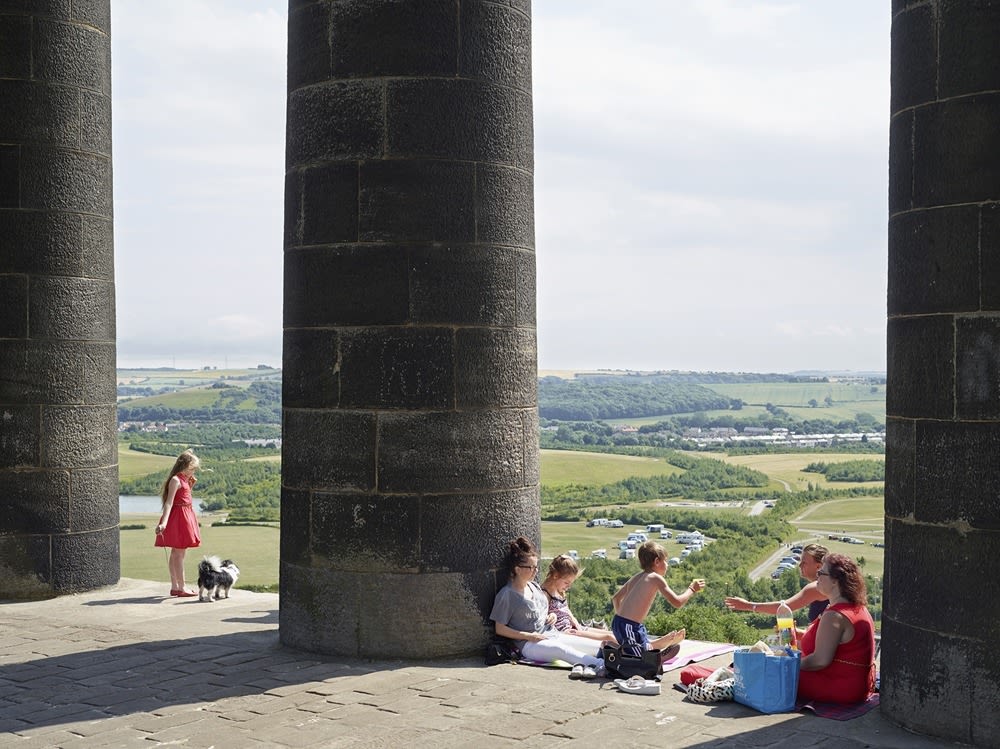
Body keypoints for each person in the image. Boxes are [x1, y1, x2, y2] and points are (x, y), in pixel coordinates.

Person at [490, 537, 605, 677]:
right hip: (528, 644)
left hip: (552, 633)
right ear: (518, 569)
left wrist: (552, 616)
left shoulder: (534, 587)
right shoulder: (507, 595)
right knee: (560, 650)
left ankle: (600, 663)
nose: (535, 571)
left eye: (536, 567)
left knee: (596, 646)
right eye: (530, 567)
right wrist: (528, 636)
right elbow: (500, 628)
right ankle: (601, 666)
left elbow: (542, 612)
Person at [797, 553, 876, 703]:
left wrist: (788, 665)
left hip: (839, 687)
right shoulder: (858, 608)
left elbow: (820, 661)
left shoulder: (835, 615)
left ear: (835, 580)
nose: (817, 577)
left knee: (769, 675)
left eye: (821, 573)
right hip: (856, 686)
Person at [611, 541, 705, 657]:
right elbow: (677, 602)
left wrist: (621, 618)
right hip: (629, 626)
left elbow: (615, 598)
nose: (667, 564)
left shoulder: (637, 577)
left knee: (641, 645)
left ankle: (643, 651)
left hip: (623, 623)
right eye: (665, 561)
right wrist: (692, 589)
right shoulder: (655, 578)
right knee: (641, 659)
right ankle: (656, 660)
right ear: (657, 561)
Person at [724, 543, 830, 623]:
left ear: (818, 566)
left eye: (804, 562)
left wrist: (747, 605)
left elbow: (784, 607)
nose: (800, 565)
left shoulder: (817, 588)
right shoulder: (831, 584)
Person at [154, 450, 203, 597]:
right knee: (179, 554)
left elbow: (184, 497)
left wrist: (190, 483)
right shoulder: (176, 480)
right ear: (184, 466)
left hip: (185, 515)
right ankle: (182, 588)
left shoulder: (184, 479)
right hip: (179, 518)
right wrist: (164, 523)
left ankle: (175, 586)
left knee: (176, 553)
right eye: (192, 468)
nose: (193, 471)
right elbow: (169, 503)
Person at [541, 554, 618, 644]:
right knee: (609, 638)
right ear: (555, 576)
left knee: (613, 634)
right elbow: (541, 617)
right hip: (565, 632)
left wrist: (575, 622)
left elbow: (566, 610)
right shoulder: (545, 594)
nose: (568, 587)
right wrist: (551, 616)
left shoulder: (560, 591)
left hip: (574, 627)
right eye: (566, 583)